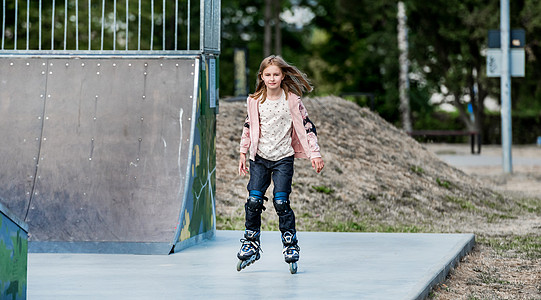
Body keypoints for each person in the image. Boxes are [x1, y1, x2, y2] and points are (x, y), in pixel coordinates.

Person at [236, 55, 324, 274]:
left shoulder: (292, 100)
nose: (272, 78)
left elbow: (307, 127)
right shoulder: (255, 100)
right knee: (254, 200)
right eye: (268, 75)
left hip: (283, 158)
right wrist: (242, 151)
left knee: (281, 202)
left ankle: (290, 244)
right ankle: (251, 242)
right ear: (262, 77)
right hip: (259, 158)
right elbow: (248, 126)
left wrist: (315, 154)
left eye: (276, 74)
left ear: (283, 75)